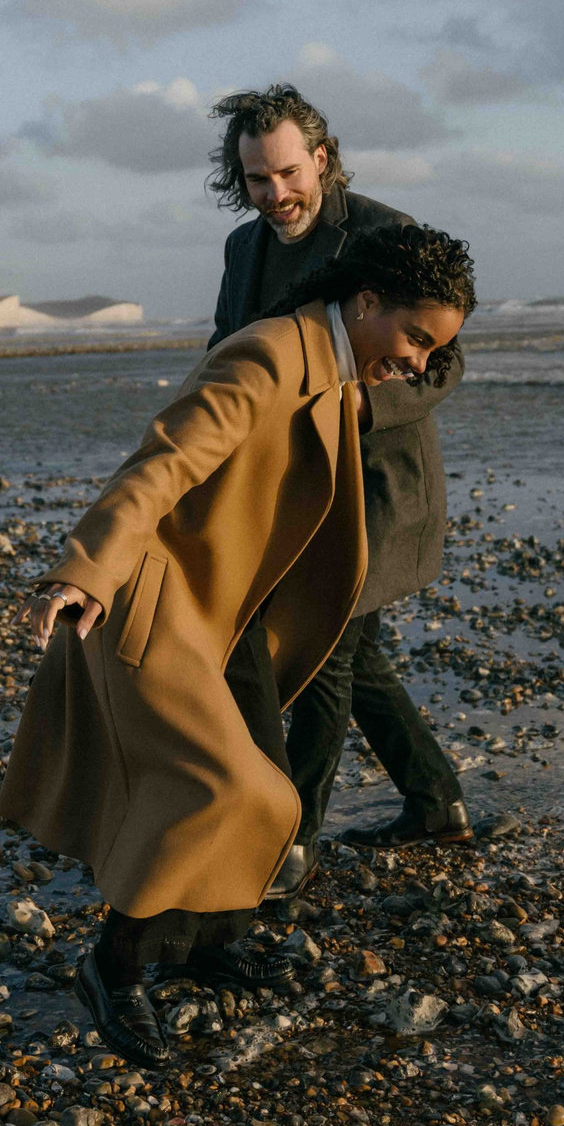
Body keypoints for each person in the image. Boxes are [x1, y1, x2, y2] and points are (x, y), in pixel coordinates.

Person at [0, 226, 478, 1065]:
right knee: (223, 788)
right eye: (416, 339)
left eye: (435, 348)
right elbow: (163, 462)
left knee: (275, 794)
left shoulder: (335, 365)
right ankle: (113, 967)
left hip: (233, 610)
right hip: (156, 599)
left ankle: (213, 944)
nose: (417, 364)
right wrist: (84, 569)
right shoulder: (268, 355)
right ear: (366, 303)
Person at [204, 85, 474, 891]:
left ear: (321, 158)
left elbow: (446, 364)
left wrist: (361, 404)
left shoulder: (390, 235)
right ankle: (437, 803)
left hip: (382, 489)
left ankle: (293, 844)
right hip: (294, 487)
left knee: (327, 654)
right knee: (361, 659)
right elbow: (229, 351)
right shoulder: (243, 251)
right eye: (257, 179)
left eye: (287, 172)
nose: (275, 194)